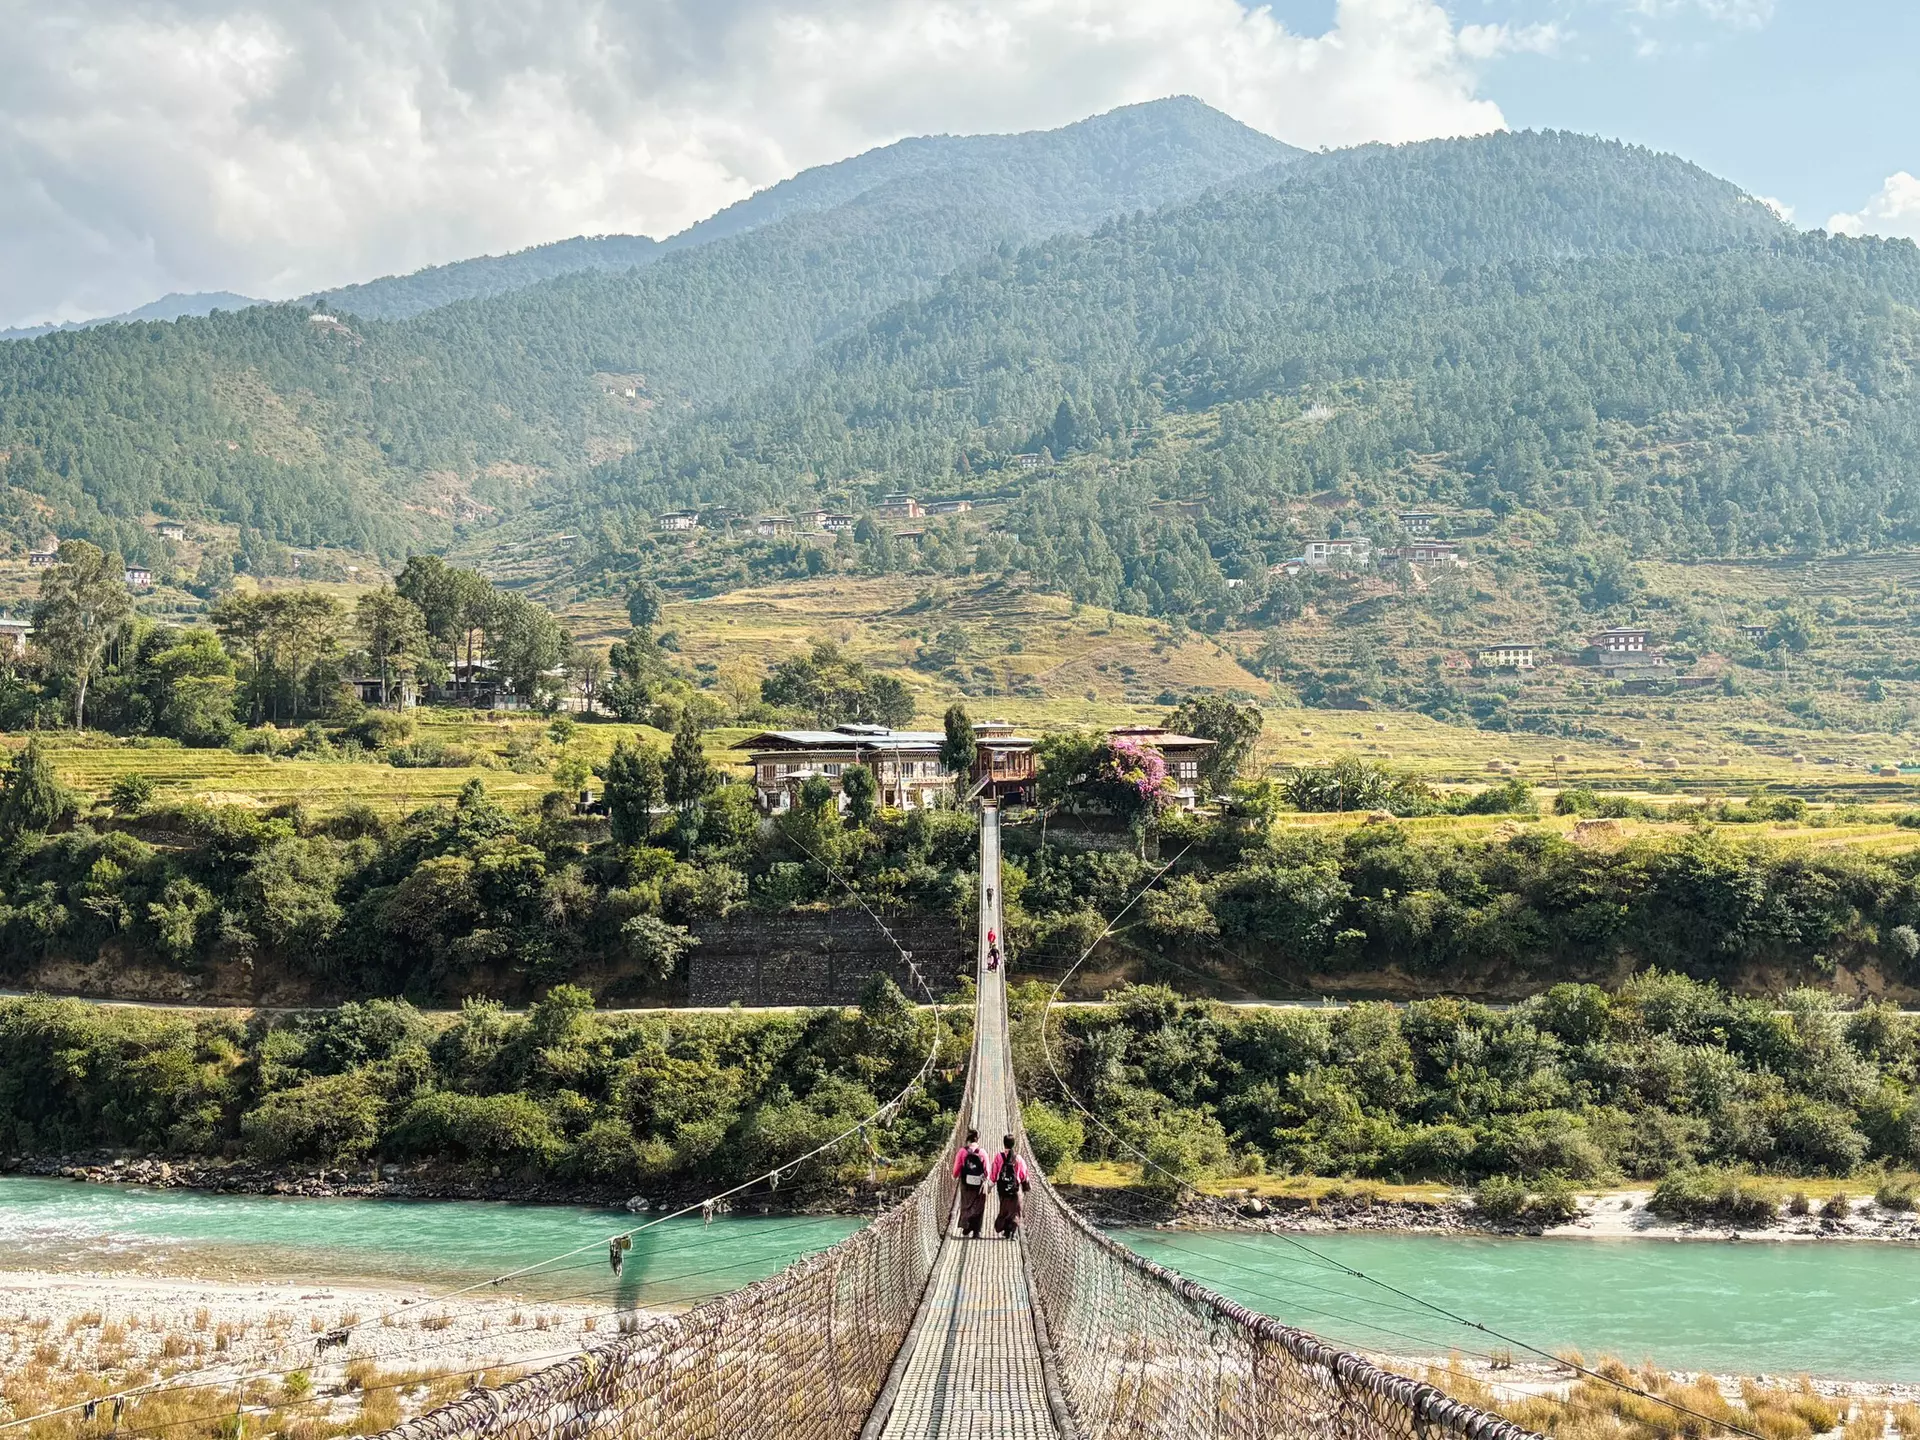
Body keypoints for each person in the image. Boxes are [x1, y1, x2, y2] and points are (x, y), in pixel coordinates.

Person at [952, 1128, 990, 1238]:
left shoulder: (962, 1151)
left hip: (965, 1183)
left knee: (965, 1204)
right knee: (978, 1205)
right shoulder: (982, 1152)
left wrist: (955, 1175)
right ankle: (976, 1231)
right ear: (977, 1139)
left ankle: (966, 1226)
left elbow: (957, 1167)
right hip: (978, 1183)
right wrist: (986, 1179)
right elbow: (987, 1170)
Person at [989, 1134, 1029, 1238]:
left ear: (1004, 1143)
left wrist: (991, 1183)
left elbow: (994, 1172)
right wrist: (1026, 1185)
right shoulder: (1018, 1158)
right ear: (1014, 1144)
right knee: (1015, 1210)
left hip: (1002, 1189)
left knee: (1004, 1208)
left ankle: (1005, 1230)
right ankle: (1012, 1231)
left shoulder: (999, 1156)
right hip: (1015, 1189)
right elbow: (1023, 1174)